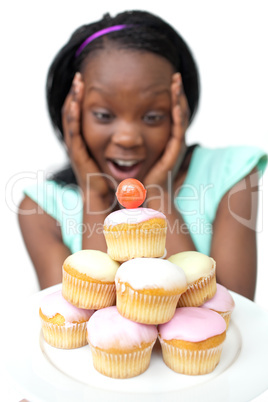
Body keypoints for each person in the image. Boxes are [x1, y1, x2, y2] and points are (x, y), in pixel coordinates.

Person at [18, 10, 267, 300]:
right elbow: (87, 327)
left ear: (180, 113)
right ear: (71, 113)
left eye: (152, 116)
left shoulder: (232, 175)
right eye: (103, 114)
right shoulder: (42, 211)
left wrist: (158, 191)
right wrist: (94, 193)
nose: (128, 138)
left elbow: (233, 315)